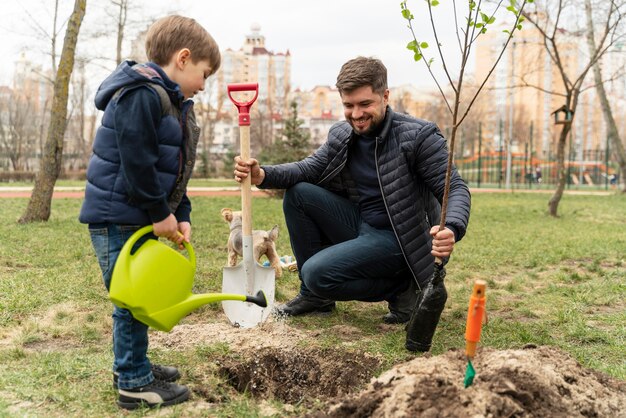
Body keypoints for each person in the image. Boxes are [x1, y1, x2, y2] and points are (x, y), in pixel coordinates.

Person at [234, 56, 470, 325]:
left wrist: (451, 227)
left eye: (365, 104)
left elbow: (453, 187)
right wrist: (262, 174)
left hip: (403, 239)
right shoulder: (343, 134)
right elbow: (310, 168)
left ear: (385, 96)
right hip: (363, 224)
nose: (356, 114)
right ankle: (315, 297)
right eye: (349, 106)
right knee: (299, 194)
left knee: (316, 273)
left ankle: (402, 288)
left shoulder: (418, 136)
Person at [79, 15, 220, 410]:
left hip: (134, 212)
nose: (204, 85)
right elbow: (137, 163)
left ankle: (132, 365)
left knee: (138, 297)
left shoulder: (169, 101)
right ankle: (134, 383)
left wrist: (183, 211)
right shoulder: (142, 94)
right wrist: (160, 214)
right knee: (131, 299)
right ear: (183, 58)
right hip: (118, 214)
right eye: (204, 74)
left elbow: (175, 167)